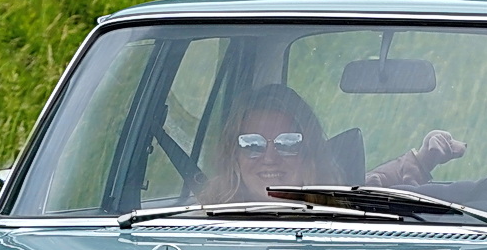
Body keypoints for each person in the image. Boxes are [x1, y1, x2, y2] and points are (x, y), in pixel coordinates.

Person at [196, 83, 466, 203]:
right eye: (252, 144)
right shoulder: (195, 226)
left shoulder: (342, 210)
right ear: (234, 154)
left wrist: (419, 161)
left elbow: (377, 185)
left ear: (309, 152)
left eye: (287, 143)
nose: (269, 157)